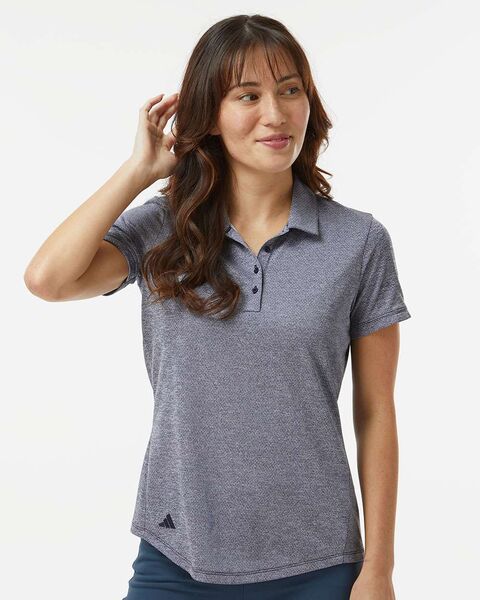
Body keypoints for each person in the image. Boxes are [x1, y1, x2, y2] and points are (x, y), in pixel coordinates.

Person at [24, 13, 411, 600]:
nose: (275, 114)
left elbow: (376, 412)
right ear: (209, 114)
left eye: (290, 91)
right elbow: (48, 280)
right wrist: (138, 172)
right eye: (247, 96)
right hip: (176, 559)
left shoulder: (358, 242)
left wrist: (378, 569)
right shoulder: (162, 231)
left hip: (319, 562)